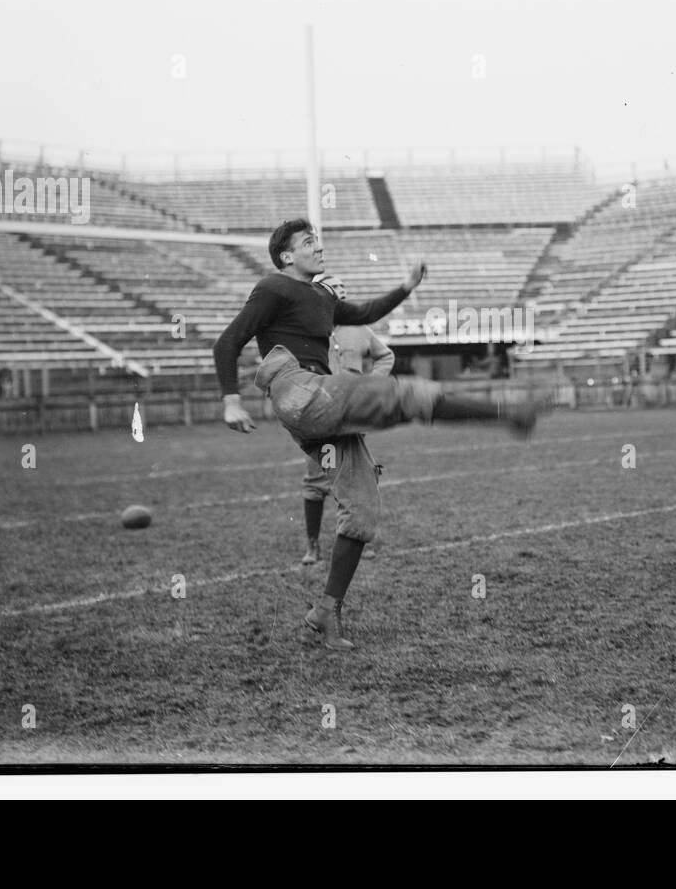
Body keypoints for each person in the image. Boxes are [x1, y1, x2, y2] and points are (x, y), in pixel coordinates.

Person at [213, 218, 539, 651]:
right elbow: (227, 341)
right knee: (406, 394)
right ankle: (507, 414)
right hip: (301, 390)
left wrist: (406, 286)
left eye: (317, 240)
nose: (318, 246)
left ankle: (325, 611)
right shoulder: (273, 287)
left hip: (319, 402)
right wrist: (231, 400)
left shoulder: (321, 297)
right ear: (286, 256)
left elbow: (366, 313)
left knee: (362, 508)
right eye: (308, 242)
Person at [299, 273, 394, 567]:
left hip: (352, 414)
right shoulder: (307, 329)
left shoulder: (359, 328)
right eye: (334, 285)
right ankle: (313, 545)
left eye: (343, 286)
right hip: (320, 415)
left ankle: (360, 539)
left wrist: (369, 384)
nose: (341, 290)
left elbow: (385, 356)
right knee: (317, 478)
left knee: (361, 474)